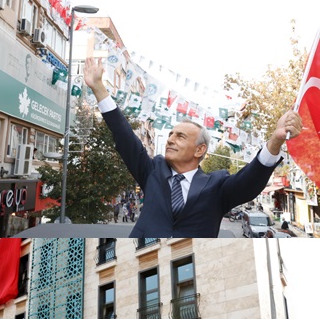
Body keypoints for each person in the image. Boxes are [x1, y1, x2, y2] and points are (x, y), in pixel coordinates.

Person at [83, 57, 303, 238]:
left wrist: (275, 140)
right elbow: (125, 137)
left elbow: (250, 180)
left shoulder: (217, 186)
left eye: (180, 136)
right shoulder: (152, 172)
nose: (170, 140)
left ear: (200, 150)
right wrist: (99, 88)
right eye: (170, 135)